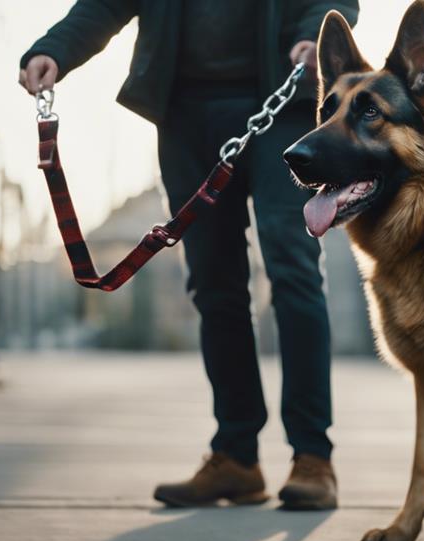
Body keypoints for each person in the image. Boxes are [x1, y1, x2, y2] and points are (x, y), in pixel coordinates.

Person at [19, 0, 359, 511]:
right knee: (213, 285)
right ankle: (236, 457)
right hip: (184, 114)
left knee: (293, 273)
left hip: (283, 102)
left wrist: (315, 36)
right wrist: (54, 50)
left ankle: (313, 456)